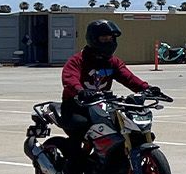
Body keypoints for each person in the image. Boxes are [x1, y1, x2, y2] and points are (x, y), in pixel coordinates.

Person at [60, 19, 157, 148]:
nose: (109, 42)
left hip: (102, 106)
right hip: (77, 106)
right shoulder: (78, 60)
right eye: (104, 39)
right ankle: (73, 165)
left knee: (124, 129)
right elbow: (69, 77)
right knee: (81, 132)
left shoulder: (113, 62)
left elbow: (128, 78)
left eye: (111, 39)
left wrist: (147, 88)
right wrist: (80, 91)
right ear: (93, 39)